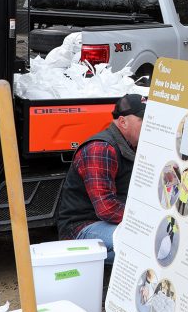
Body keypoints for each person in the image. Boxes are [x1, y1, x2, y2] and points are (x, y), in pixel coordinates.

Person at [56, 93, 146, 262]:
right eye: (143, 118)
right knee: (141, 242)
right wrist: (144, 222)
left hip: (109, 223)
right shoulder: (101, 148)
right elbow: (107, 208)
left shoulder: (135, 146)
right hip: (82, 227)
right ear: (123, 122)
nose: (150, 124)